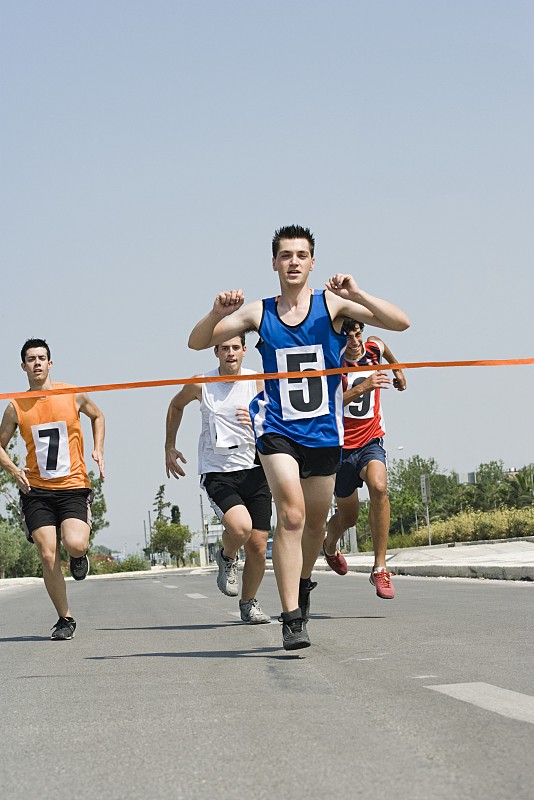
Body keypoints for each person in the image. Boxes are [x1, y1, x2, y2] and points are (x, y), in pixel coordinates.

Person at [188, 224, 410, 651]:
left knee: (313, 523)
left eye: (301, 255)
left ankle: (304, 582)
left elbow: (400, 322)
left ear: (312, 263)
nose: (293, 262)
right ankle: (291, 618)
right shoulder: (259, 312)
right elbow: (196, 342)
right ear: (274, 263)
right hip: (277, 428)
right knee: (290, 515)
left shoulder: (332, 305)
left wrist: (358, 294)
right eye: (286, 255)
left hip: (323, 432)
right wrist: (215, 313)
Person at [0, 338, 105, 640]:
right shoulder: (15, 406)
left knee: (75, 544)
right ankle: (65, 618)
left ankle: (78, 556)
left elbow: (98, 416)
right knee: (48, 556)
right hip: (37, 492)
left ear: (50, 363)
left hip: (73, 486)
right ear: (23, 366)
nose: (36, 363)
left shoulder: (72, 394)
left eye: (41, 358)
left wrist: (98, 448)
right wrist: (14, 470)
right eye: (30, 359)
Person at [165, 335, 272, 624]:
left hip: (255, 469)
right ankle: (227, 556)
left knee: (258, 546)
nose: (230, 353)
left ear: (244, 351)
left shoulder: (257, 381)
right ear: (216, 352)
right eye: (225, 348)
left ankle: (248, 603)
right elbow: (175, 406)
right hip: (218, 472)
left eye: (235, 348)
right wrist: (169, 446)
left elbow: (278, 416)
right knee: (240, 528)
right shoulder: (201, 383)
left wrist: (259, 421)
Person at [323, 318, 406, 598]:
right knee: (349, 517)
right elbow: (328, 403)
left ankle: (380, 568)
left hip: (371, 440)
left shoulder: (373, 348)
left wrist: (398, 372)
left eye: (358, 335)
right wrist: (363, 387)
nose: (355, 342)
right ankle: (329, 545)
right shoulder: (332, 362)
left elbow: (386, 349)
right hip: (341, 449)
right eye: (348, 337)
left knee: (379, 488)